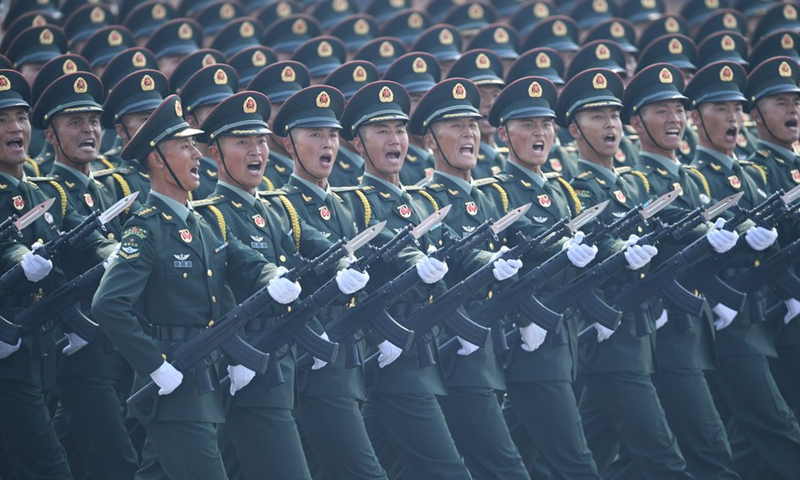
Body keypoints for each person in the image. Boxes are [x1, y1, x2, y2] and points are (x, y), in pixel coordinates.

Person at [91, 94, 302, 480]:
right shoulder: (146, 227)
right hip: (173, 386)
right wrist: (153, 365)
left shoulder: (198, 225)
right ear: (158, 160)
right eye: (185, 147)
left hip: (200, 385)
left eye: (194, 145)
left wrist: (272, 277)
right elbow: (108, 305)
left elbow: (238, 261)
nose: (197, 155)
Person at [195, 89, 369, 480]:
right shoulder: (211, 215)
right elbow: (242, 260)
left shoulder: (278, 210)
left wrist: (347, 262)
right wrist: (272, 276)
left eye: (259, 140)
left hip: (282, 366)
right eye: (242, 142)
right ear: (214, 153)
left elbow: (318, 243)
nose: (256, 151)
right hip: (245, 363)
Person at [555, 68, 694, 479]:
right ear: (575, 130)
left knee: (596, 453)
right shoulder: (577, 190)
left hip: (639, 334)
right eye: (597, 117)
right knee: (663, 458)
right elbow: (593, 242)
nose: (610, 124)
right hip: (611, 337)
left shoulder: (634, 186)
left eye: (614, 115)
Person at [338, 79, 471, 479]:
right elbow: (394, 249)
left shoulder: (419, 201)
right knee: (447, 469)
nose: (395, 139)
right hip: (395, 356)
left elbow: (454, 251)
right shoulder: (356, 202)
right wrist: (421, 260)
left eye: (398, 129)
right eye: (381, 131)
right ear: (359, 145)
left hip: (421, 351)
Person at [408, 77, 530, 480]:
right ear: (430, 140)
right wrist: (490, 259)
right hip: (455, 355)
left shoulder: (488, 197)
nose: (468, 134)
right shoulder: (424, 200)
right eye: (455, 126)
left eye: (473, 125)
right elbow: (451, 253)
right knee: (504, 467)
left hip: (488, 349)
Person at [625, 62, 741, 480]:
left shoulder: (692, 179)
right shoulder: (637, 182)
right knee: (706, 448)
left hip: (697, 329)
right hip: (666, 333)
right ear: (635, 122)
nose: (673, 119)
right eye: (660, 110)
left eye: (678, 109)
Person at [686, 60, 800, 480]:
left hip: (763, 317)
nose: (732, 119)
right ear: (697, 118)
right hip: (728, 322)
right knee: (774, 424)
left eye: (736, 109)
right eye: (721, 110)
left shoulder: (747, 176)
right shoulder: (697, 178)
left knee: (747, 438)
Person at [485, 76, 602, 480]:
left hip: (562, 338)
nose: (540, 133)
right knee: (575, 459)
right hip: (531, 342)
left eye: (546, 124)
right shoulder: (498, 194)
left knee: (525, 453)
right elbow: (497, 270)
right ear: (503, 133)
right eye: (528, 125)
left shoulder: (563, 192)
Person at [272, 85, 387, 480]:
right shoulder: (282, 205)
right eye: (315, 135)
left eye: (333, 135)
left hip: (347, 359)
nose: (327, 144)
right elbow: (318, 243)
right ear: (289, 144)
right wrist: (346, 260)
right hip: (318, 364)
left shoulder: (343, 202)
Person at [30, 70, 139, 480]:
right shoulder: (49, 191)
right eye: (74, 122)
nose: (88, 129)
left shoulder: (110, 189)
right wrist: (125, 254)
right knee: (115, 459)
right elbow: (92, 239)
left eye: (93, 120)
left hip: (118, 344)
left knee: (77, 449)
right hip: (82, 351)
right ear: (52, 136)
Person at [744, 56, 800, 419]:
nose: (792, 109)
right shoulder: (759, 172)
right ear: (757, 115)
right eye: (780, 103)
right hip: (784, 311)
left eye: (796, 101)